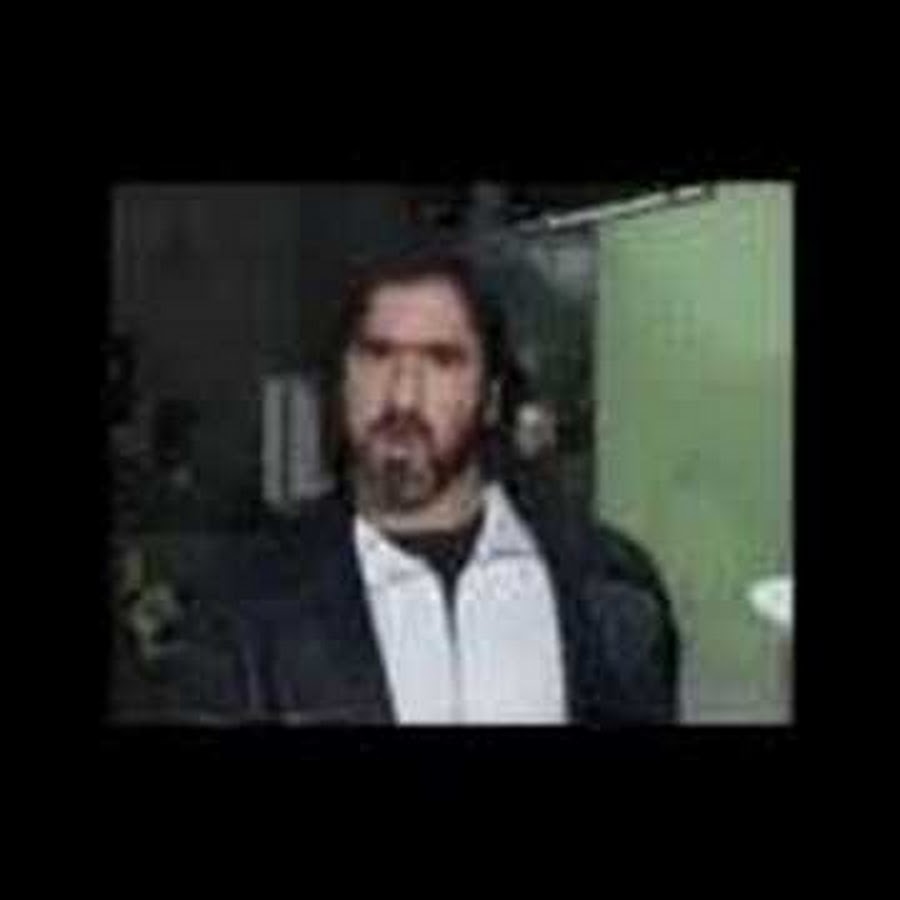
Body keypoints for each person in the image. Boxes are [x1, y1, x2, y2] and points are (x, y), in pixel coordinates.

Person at [151, 245, 679, 725]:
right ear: (341, 382)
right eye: (378, 355)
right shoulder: (242, 608)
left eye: (442, 360)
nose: (403, 397)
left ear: (492, 398)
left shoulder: (609, 589)